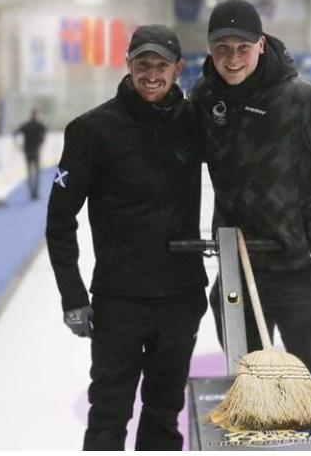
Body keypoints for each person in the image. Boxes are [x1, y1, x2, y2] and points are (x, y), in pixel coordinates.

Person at [190, 0, 311, 449]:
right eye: (222, 48)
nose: (232, 59)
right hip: (238, 270)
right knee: (252, 393)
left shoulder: (302, 101)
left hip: (300, 271)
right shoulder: (204, 99)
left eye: (242, 48)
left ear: (260, 45)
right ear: (210, 50)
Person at [46, 24, 208, 451]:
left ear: (178, 69)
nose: (151, 75)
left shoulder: (195, 122)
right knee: (108, 415)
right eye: (143, 64)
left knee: (164, 414)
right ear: (128, 64)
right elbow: (60, 220)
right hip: (119, 300)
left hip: (182, 296)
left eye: (161, 66)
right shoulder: (92, 130)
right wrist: (73, 296)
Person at [13, 108, 47, 199]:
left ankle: (33, 193)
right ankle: (34, 193)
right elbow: (43, 137)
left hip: (28, 151)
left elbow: (15, 133)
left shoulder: (27, 125)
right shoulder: (39, 126)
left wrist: (18, 145)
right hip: (34, 152)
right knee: (36, 173)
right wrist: (40, 143)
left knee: (31, 173)